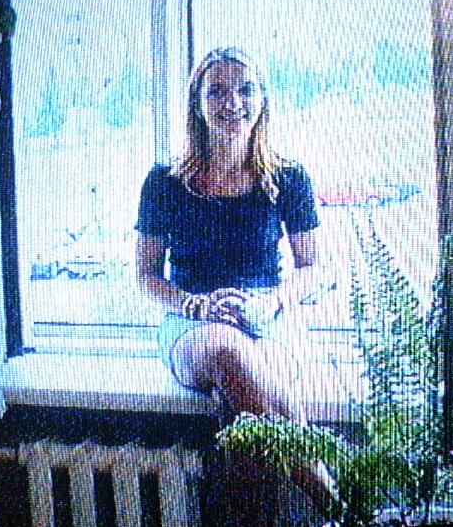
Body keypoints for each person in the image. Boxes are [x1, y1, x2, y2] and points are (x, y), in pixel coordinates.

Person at [134, 47, 336, 520]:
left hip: (268, 320)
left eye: (245, 90)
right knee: (229, 353)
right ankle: (332, 498)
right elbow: (144, 276)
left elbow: (314, 267)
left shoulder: (288, 177)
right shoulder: (164, 181)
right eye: (217, 91)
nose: (233, 102)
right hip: (191, 325)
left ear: (263, 99)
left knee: (243, 409)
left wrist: (271, 302)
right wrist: (198, 306)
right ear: (197, 104)